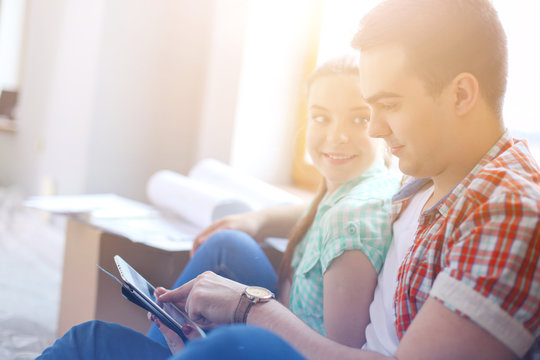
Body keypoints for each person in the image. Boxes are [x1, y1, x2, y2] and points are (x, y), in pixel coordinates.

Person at [38, 0, 540, 359]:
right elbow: (337, 204)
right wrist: (259, 218)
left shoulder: (508, 211)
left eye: (386, 106)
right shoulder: (433, 168)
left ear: (460, 95)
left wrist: (254, 309)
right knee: (108, 329)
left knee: (235, 339)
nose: (378, 127)